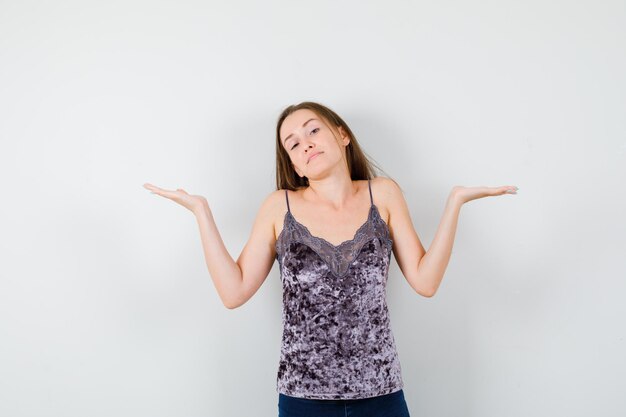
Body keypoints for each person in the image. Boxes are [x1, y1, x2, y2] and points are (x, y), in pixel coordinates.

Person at [143, 101, 518, 416]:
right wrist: (201, 212)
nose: (305, 144)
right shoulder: (279, 207)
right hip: (303, 399)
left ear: (342, 135)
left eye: (313, 131)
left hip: (381, 394)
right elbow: (233, 291)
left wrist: (454, 203)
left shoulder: (382, 195)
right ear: (295, 166)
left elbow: (426, 281)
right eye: (292, 144)